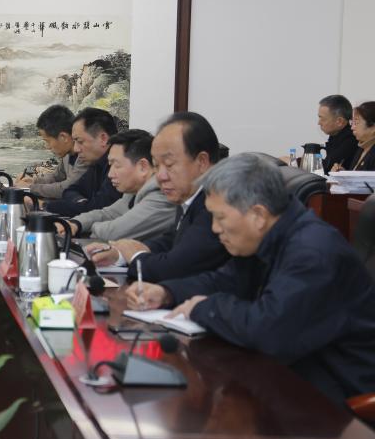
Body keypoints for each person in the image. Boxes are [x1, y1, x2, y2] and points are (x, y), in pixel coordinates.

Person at [126, 154, 375, 406]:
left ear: (258, 214)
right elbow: (224, 281)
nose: (215, 228)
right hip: (291, 376)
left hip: (339, 399)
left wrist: (204, 307)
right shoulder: (270, 235)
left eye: (220, 217)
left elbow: (268, 330)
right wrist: (167, 292)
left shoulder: (313, 253)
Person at [85, 112, 229, 282]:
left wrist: (136, 256)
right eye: (156, 165)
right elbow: (171, 240)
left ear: (202, 162)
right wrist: (120, 253)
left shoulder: (219, 205)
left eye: (169, 164)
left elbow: (176, 267)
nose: (160, 176)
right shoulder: (189, 196)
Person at [66, 129, 175, 242]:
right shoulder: (134, 191)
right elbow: (108, 214)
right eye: (110, 165)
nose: (110, 174)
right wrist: (75, 224)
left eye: (117, 166)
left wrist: (90, 227)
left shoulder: (161, 195)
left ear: (143, 167)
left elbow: (113, 233)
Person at [44, 107, 120, 216]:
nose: (76, 149)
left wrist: (46, 205)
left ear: (103, 139)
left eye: (80, 141)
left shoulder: (119, 168)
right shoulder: (97, 163)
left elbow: (98, 210)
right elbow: (70, 190)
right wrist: (82, 203)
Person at [16, 104, 87, 200]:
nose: (47, 147)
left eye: (47, 141)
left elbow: (67, 188)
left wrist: (30, 188)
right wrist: (34, 181)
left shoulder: (86, 155)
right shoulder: (67, 155)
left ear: (63, 137)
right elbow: (56, 177)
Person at [317, 94, 357, 174]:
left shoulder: (351, 140)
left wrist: (300, 162)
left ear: (339, 121)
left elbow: (328, 168)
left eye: (322, 118)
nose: (319, 123)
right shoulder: (335, 136)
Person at [340, 101, 375, 172]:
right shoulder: (361, 147)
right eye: (352, 123)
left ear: (373, 127)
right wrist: (343, 174)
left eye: (356, 123)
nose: (352, 128)